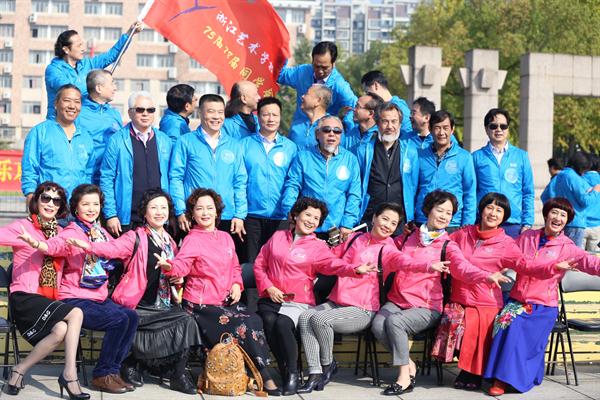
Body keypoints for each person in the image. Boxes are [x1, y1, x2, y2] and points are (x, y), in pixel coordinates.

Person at [372, 190, 509, 396]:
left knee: (394, 322)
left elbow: (463, 268)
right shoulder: (409, 236)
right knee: (377, 325)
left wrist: (486, 276)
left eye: (449, 213)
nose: (444, 216)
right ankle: (409, 364)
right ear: (429, 210)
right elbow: (388, 250)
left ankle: (404, 377)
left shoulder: (448, 245)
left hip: (427, 306)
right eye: (440, 210)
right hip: (398, 299)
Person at [67, 189, 201, 394]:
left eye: (163, 208)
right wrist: (88, 246)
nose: (159, 212)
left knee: (187, 319)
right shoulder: (135, 237)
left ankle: (178, 374)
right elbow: (112, 249)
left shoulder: (170, 242)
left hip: (162, 304)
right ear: (144, 212)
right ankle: (129, 365)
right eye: (153, 207)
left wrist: (177, 276)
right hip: (137, 303)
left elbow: (179, 269)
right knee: (128, 318)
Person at [154, 188, 280, 395]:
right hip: (200, 304)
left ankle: (251, 369)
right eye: (199, 209)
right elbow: (182, 265)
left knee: (254, 319)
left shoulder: (225, 237)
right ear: (192, 214)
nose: (205, 213)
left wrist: (237, 285)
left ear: (217, 211)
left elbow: (235, 268)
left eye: (209, 208)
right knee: (244, 323)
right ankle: (264, 375)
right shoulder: (192, 239)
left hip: (225, 301)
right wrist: (170, 266)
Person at [18, 184, 138, 394]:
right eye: (86, 204)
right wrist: (38, 244)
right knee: (118, 319)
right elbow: (55, 245)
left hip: (98, 297)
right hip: (74, 298)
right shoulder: (72, 231)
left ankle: (113, 371)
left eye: (95, 204)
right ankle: (102, 375)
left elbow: (116, 249)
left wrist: (92, 246)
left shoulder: (100, 232)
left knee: (131, 316)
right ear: (76, 208)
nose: (91, 209)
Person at [253, 197, 377, 395]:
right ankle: (284, 369)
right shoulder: (277, 236)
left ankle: (292, 374)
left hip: (297, 301)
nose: (311, 221)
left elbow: (333, 265)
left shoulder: (318, 246)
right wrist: (269, 288)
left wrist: (355, 269)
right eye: (308, 215)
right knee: (268, 321)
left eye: (316, 218)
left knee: (282, 324)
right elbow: (260, 264)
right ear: (295, 215)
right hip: (272, 296)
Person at [484, 197, 600, 396]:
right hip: (517, 300)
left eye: (563, 215)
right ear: (546, 215)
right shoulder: (527, 237)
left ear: (567, 221)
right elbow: (507, 258)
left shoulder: (568, 247)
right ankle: (503, 374)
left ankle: (503, 380)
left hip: (543, 306)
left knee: (515, 326)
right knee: (503, 323)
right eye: (554, 212)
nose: (558, 218)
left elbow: (591, 263)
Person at [297, 202, 402, 394]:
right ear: (374, 218)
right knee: (305, 317)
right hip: (337, 301)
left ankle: (328, 365)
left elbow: (406, 261)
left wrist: (428, 265)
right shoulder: (355, 238)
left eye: (393, 223)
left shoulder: (389, 249)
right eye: (385, 219)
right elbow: (331, 259)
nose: (388, 225)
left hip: (363, 309)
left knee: (319, 319)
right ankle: (314, 372)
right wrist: (319, 246)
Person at [0, 182, 89, 399]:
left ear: (61, 206)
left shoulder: (63, 233)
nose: (50, 204)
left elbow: (70, 251)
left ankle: (18, 370)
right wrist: (26, 241)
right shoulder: (23, 226)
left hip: (48, 300)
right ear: (37, 200)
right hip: (24, 296)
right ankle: (69, 375)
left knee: (61, 329)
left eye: (56, 201)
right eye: (46, 198)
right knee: (76, 313)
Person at [445, 193, 532, 390]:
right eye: (489, 208)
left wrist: (551, 266)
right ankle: (469, 370)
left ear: (504, 217)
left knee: (477, 320)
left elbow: (525, 265)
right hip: (459, 297)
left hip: (487, 300)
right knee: (456, 318)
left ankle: (472, 372)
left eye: (499, 210)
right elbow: (441, 245)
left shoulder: (507, 243)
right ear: (481, 210)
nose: (493, 213)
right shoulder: (463, 234)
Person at [169, 94, 247, 249]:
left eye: (220, 112)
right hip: (195, 215)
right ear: (200, 113)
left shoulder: (234, 145)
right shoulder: (185, 142)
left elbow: (240, 181)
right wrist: (180, 210)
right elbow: (176, 178)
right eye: (211, 112)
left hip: (226, 215)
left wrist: (240, 214)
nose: (216, 117)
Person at [100, 91, 172, 236]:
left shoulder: (165, 140)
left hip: (158, 219)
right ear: (130, 113)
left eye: (150, 110)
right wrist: (111, 214)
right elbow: (106, 178)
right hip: (128, 219)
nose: (145, 114)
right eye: (140, 110)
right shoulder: (116, 140)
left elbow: (173, 177)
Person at [282, 115, 361, 238]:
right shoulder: (303, 157)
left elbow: (354, 195)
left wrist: (347, 223)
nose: (332, 134)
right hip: (306, 226)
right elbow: (292, 187)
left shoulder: (351, 160)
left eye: (337, 131)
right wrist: (292, 213)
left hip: (336, 230)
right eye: (326, 130)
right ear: (317, 134)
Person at [240, 97, 297, 262]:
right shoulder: (243, 145)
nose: (271, 119)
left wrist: (291, 212)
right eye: (266, 115)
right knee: (251, 264)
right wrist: (241, 213)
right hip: (251, 216)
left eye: (275, 115)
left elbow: (293, 183)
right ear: (258, 117)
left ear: (280, 117)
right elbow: (239, 181)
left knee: (277, 263)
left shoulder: (290, 147)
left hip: (281, 217)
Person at [45, 23, 141, 119]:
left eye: (82, 44)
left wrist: (129, 34)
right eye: (79, 46)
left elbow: (110, 56)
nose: (83, 49)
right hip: (59, 122)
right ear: (66, 49)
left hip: (82, 120)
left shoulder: (87, 64)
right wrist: (98, 87)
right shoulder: (53, 70)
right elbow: (70, 90)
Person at [22, 84, 94, 204]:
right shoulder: (40, 132)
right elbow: (30, 168)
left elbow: (89, 172)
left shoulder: (86, 137)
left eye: (77, 102)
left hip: (76, 206)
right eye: (67, 100)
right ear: (56, 104)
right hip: (49, 204)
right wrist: (30, 194)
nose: (72, 106)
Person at [278, 41, 356, 146]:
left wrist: (344, 124)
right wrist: (283, 53)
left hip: (324, 136)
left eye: (324, 67)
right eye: (316, 66)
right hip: (298, 132)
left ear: (333, 64)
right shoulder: (303, 72)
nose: (320, 71)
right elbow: (280, 75)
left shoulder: (340, 85)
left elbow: (355, 106)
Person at [472, 108, 535, 238]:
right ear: (486, 129)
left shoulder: (521, 156)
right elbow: (471, 192)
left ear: (508, 128)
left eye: (503, 126)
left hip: (513, 224)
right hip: (485, 222)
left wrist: (527, 223)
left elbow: (528, 192)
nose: (499, 129)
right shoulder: (476, 157)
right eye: (493, 126)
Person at [355, 102, 419, 230]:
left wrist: (410, 217)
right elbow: (356, 186)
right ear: (377, 123)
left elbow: (413, 186)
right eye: (385, 121)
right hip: (369, 218)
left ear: (400, 124)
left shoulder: (410, 151)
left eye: (394, 121)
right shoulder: (363, 150)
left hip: (399, 221)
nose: (390, 126)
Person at [414, 110, 476, 230]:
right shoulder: (419, 156)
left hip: (452, 223)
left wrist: (468, 224)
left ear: (452, 130)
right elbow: (412, 189)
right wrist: (411, 218)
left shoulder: (464, 157)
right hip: (423, 220)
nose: (441, 132)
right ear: (430, 129)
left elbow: (470, 192)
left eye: (445, 128)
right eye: (437, 128)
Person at [77, 69, 123, 185]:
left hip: (110, 178)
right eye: (112, 83)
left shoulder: (115, 114)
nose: (115, 88)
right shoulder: (79, 114)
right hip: (87, 179)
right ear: (99, 88)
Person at [552, 152, 600, 248]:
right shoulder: (573, 177)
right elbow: (585, 201)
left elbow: (546, 195)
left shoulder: (560, 175)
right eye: (584, 169)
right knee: (576, 255)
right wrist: (595, 190)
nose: (583, 172)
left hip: (563, 220)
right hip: (576, 222)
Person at [361, 70, 412, 137]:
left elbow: (409, 133)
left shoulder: (399, 107)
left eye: (367, 91)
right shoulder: (382, 107)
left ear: (376, 85)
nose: (367, 95)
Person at [293, 84, 331, 151]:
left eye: (307, 94)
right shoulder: (296, 126)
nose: (302, 96)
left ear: (318, 101)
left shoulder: (333, 126)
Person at [583, 153, 600, 252]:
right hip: (597, 225)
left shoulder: (580, 180)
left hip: (582, 224)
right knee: (595, 257)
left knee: (579, 257)